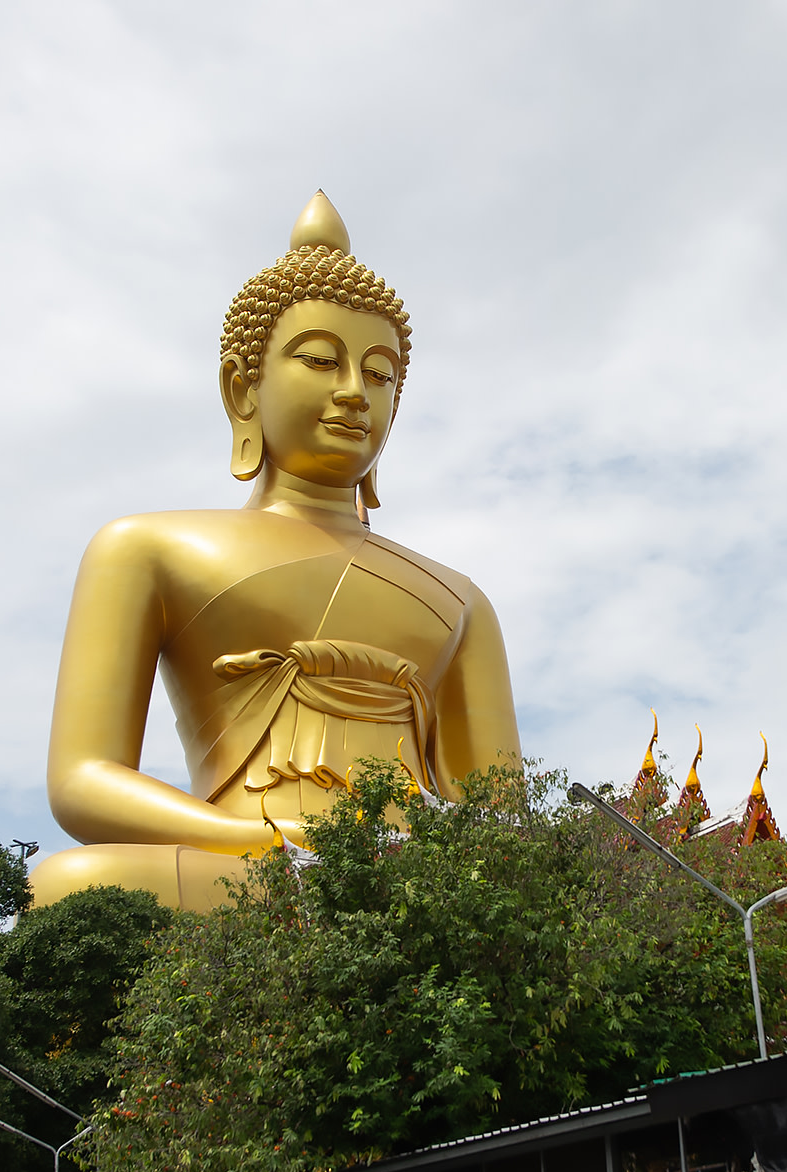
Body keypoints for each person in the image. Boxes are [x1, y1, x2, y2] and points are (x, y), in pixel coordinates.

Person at [28, 193, 521, 910]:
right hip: (247, 869)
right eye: (320, 360)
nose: (354, 392)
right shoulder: (144, 548)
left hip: (413, 887)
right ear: (242, 389)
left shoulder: (460, 601)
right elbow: (82, 781)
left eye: (380, 373)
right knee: (64, 885)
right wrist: (263, 840)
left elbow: (503, 827)